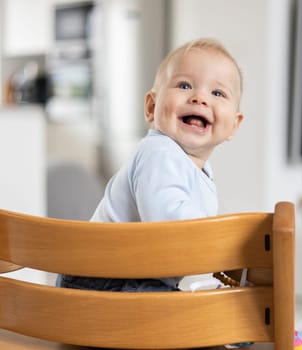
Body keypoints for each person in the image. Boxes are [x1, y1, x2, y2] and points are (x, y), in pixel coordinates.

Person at [56, 37, 244, 292]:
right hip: (98, 277)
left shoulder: (198, 171)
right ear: (151, 107)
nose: (200, 97)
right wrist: (223, 244)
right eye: (185, 85)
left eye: (217, 93)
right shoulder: (160, 151)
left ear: (234, 124)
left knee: (191, 309)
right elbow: (169, 229)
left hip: (118, 274)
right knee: (188, 315)